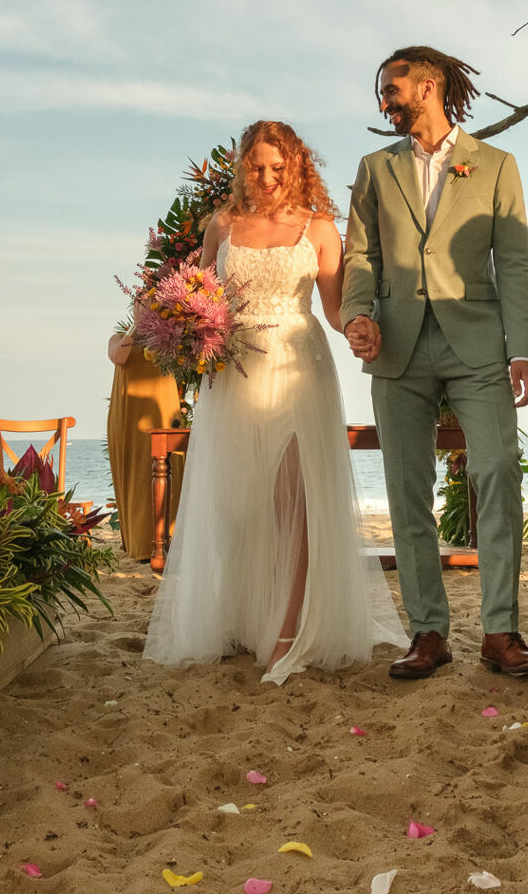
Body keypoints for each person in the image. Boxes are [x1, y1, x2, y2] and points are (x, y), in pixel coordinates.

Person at [145, 120, 406, 683]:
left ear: (296, 166)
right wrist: (179, 330)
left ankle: (288, 628)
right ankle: (246, 614)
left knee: (293, 498)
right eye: (256, 167)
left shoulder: (319, 228)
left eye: (277, 168)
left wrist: (361, 326)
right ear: (243, 168)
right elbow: (193, 297)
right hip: (232, 372)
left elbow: (336, 311)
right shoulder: (222, 225)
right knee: (238, 506)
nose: (266, 178)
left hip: (297, 367)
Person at [343, 47, 528, 679]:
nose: (384, 102)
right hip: (397, 346)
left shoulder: (496, 165)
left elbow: (513, 262)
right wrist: (357, 314)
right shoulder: (375, 168)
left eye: (392, 89)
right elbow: (359, 256)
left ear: (427, 86)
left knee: (497, 471)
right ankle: (428, 632)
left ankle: (501, 631)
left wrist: (523, 349)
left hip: (478, 344)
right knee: (406, 490)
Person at [104, 330, 185, 562]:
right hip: (129, 418)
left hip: (162, 413)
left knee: (169, 473)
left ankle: (169, 543)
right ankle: (140, 546)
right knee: (135, 478)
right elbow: (119, 356)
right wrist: (136, 327)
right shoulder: (118, 338)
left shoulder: (167, 339)